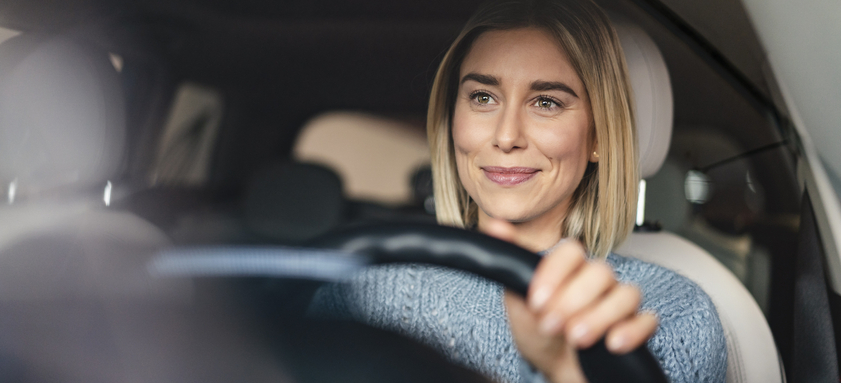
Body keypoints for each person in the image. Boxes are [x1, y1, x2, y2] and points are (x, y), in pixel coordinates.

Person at [311, 0, 727, 382]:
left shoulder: (672, 315)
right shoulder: (359, 292)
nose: (507, 136)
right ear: (451, 119)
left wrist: (564, 369)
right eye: (482, 97)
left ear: (599, 135)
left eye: (546, 102)